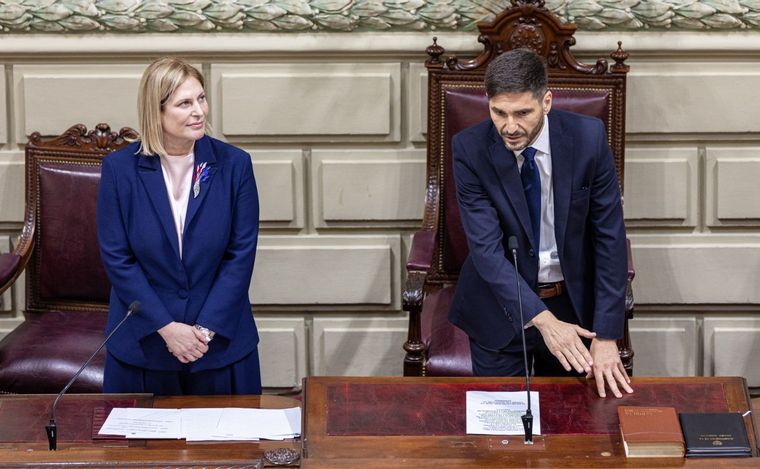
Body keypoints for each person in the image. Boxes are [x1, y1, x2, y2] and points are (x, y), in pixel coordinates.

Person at [449, 48, 633, 398]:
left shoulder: (588, 139)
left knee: (573, 420)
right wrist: (545, 321)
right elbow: (486, 251)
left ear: (546, 101)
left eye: (522, 113)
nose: (509, 126)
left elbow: (609, 237)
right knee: (501, 423)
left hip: (573, 305)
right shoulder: (470, 149)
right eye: (498, 112)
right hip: (499, 305)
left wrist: (608, 334)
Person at [97, 57, 261, 395]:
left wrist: (204, 331)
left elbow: (240, 255)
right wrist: (166, 328)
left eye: (201, 98)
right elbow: (117, 258)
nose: (199, 111)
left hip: (218, 345)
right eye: (185, 103)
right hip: (144, 345)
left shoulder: (235, 165)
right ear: (156, 111)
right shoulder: (119, 169)